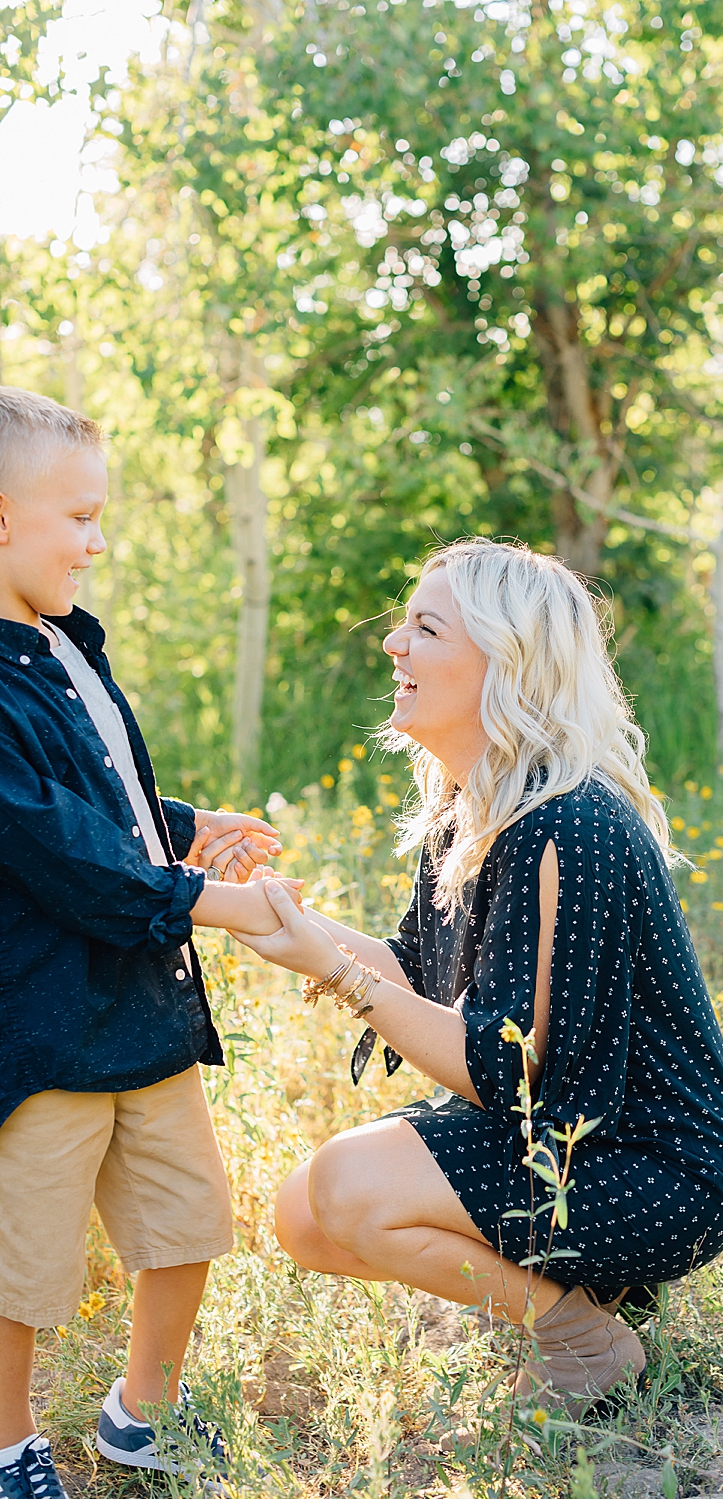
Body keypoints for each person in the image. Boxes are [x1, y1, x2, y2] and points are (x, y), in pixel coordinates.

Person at [231, 538, 723, 1420]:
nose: (393, 644)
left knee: (350, 1189)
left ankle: (584, 1335)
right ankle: (593, 1296)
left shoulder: (569, 823)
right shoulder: (473, 803)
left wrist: (327, 967)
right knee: (305, 1215)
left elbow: (504, 1067)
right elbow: (412, 967)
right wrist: (252, 908)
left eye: (424, 628)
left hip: (656, 1167)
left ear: (503, 665)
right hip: (570, 1139)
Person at [0, 388, 303, 1499]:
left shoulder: (65, 643)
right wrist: (213, 904)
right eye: (78, 517)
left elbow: (100, 798)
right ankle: (8, 1445)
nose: (97, 539)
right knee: (22, 1265)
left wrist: (183, 824)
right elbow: (58, 849)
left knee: (185, 1220)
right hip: (42, 1022)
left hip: (141, 1007)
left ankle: (146, 1411)